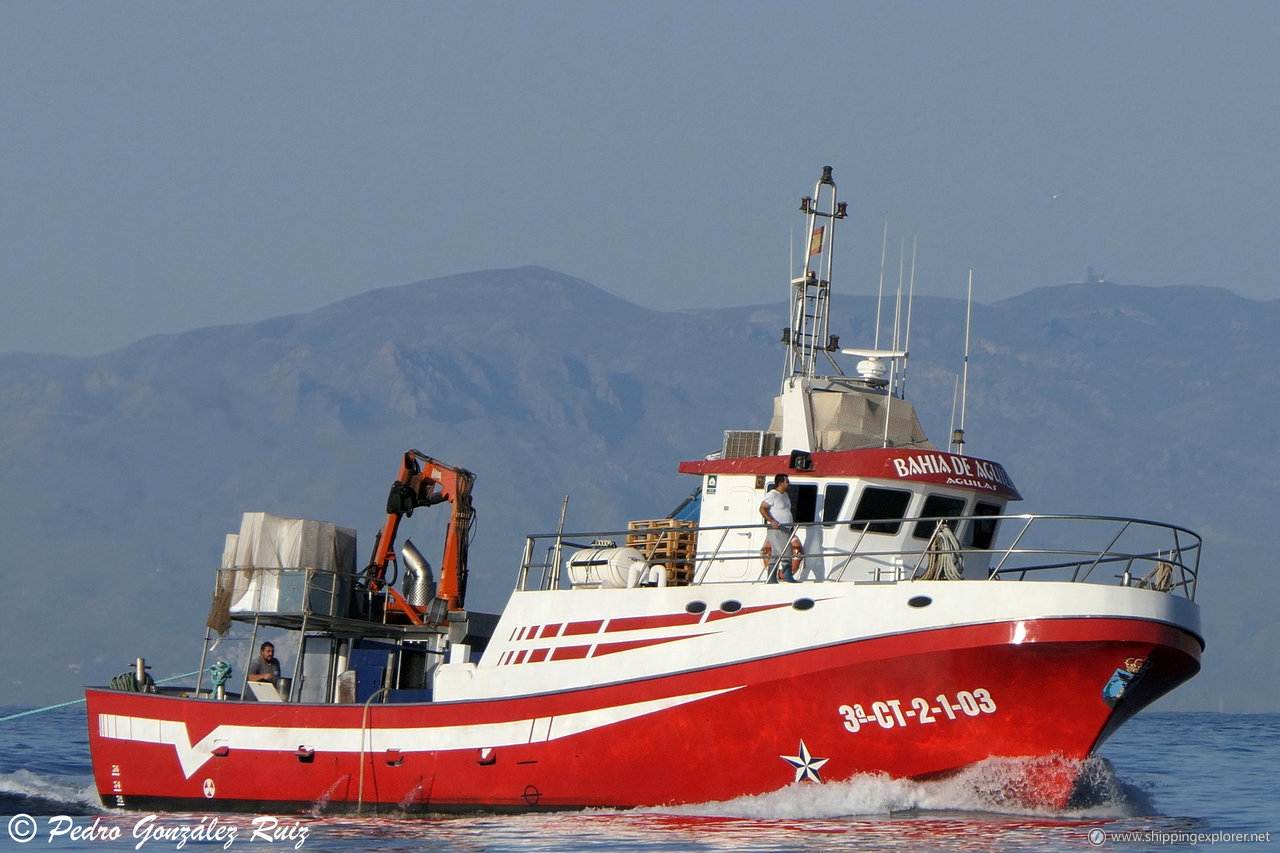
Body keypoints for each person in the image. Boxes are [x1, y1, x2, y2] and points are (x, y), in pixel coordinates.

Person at [760, 473, 800, 582]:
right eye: (787, 481)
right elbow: (762, 509)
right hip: (776, 529)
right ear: (780, 483)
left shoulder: (785, 495)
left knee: (776, 554)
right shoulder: (772, 495)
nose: (789, 483)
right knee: (786, 551)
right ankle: (788, 576)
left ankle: (771, 578)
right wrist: (772, 521)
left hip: (786, 529)